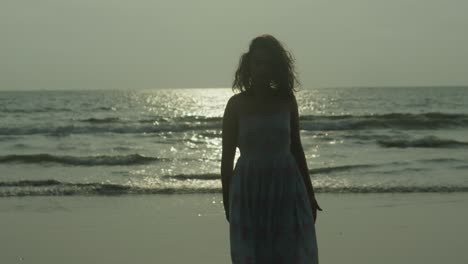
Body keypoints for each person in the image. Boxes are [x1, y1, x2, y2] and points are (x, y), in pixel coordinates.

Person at [221, 34, 322, 263]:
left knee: (289, 253)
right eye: (258, 63)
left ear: (276, 68)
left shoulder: (286, 100)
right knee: (251, 255)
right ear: (249, 65)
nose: (262, 69)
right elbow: (226, 159)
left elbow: (296, 148)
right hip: (248, 188)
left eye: (268, 64)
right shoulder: (235, 106)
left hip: (285, 185)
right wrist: (227, 201)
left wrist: (310, 194)